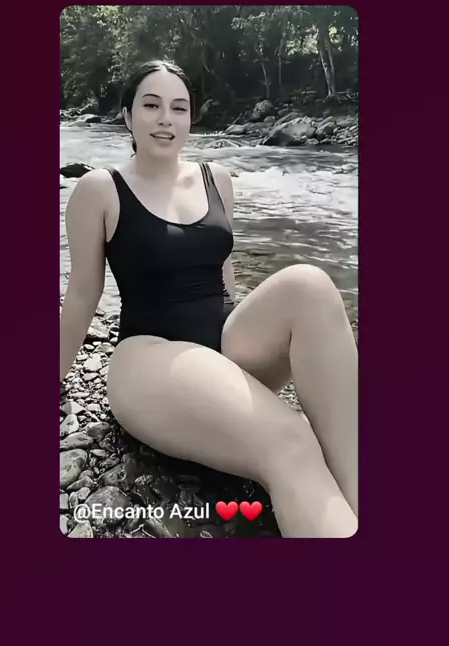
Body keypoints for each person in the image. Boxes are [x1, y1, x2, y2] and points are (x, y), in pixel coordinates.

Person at [60, 59, 358, 538]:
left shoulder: (216, 178)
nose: (166, 119)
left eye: (179, 108)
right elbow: (81, 295)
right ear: (127, 116)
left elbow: (223, 272)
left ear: (190, 117)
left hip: (222, 348)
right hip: (150, 361)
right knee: (291, 441)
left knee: (310, 283)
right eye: (151, 105)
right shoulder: (100, 190)